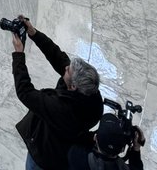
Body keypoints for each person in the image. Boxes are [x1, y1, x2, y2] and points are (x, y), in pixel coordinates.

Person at [10, 16, 102, 170]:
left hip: (43, 158)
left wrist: (19, 55)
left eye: (67, 70)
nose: (65, 67)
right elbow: (58, 56)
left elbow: (25, 92)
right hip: (65, 149)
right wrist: (33, 33)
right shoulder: (93, 97)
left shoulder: (60, 108)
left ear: (73, 87)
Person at [68, 111, 146, 169]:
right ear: (122, 149)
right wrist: (136, 149)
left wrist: (99, 134)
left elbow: (79, 138)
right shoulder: (123, 167)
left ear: (95, 138)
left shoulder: (75, 155)